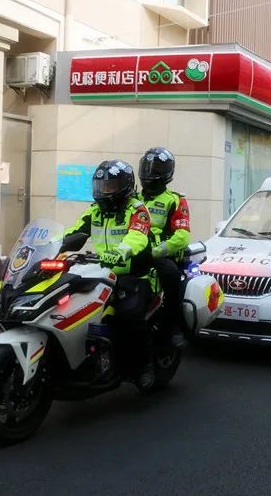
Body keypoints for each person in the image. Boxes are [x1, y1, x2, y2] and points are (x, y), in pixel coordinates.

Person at [65, 160, 157, 388]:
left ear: (125, 186)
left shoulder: (137, 210)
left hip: (134, 275)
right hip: (101, 272)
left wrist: (121, 252)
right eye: (101, 186)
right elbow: (72, 233)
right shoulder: (94, 211)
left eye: (110, 186)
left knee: (129, 319)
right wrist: (50, 247)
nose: (104, 191)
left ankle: (142, 367)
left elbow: (137, 236)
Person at [138, 147, 191, 346]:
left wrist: (156, 252)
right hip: (131, 254)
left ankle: (173, 327)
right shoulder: (133, 199)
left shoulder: (175, 200)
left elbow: (182, 236)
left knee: (170, 275)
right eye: (148, 167)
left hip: (161, 256)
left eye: (157, 169)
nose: (151, 173)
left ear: (167, 173)